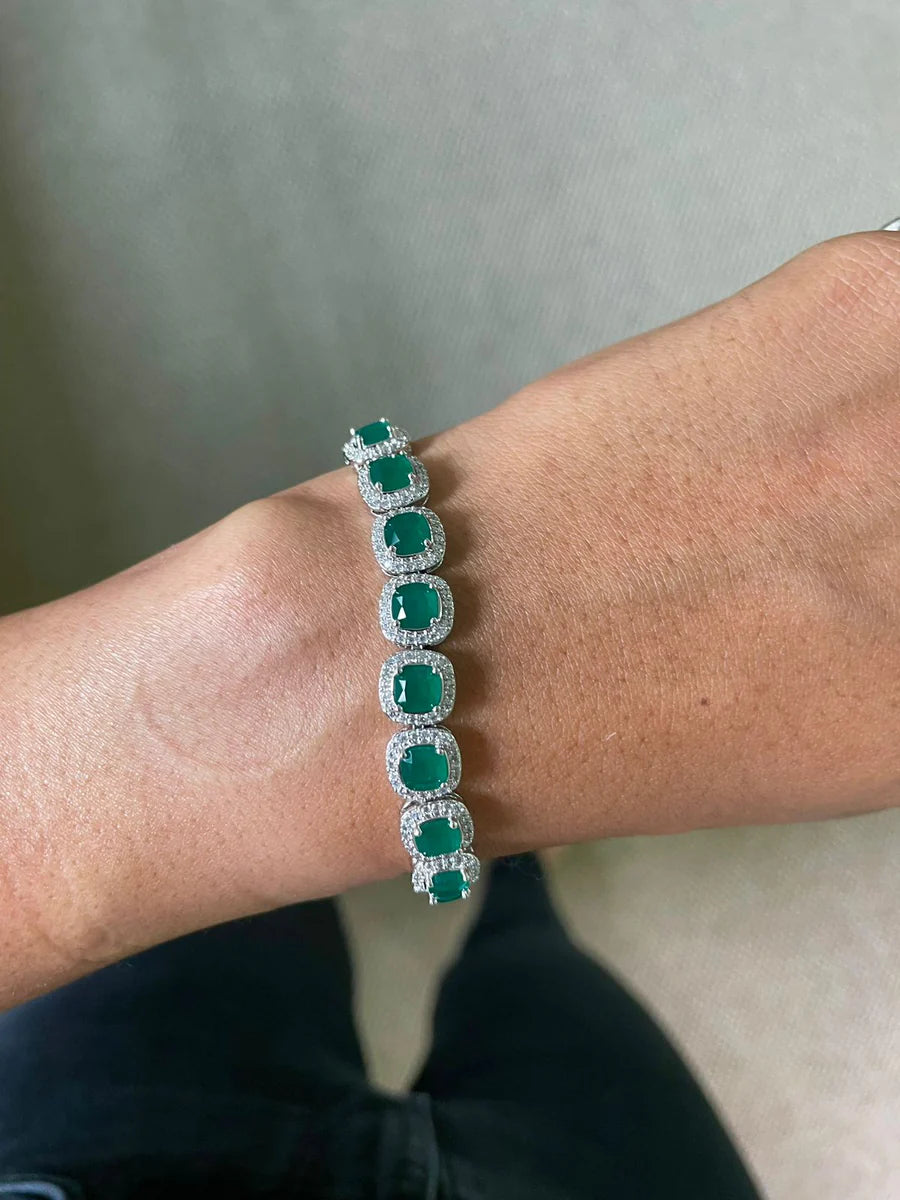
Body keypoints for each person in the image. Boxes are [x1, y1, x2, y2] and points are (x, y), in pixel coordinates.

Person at [0, 229, 897, 1196]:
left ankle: (515, 867)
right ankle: (517, 884)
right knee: (540, 980)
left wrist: (285, 626)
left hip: (72, 1125)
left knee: (368, 927)